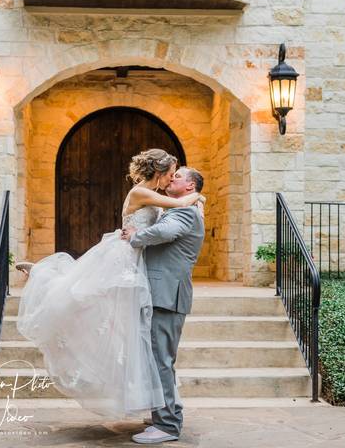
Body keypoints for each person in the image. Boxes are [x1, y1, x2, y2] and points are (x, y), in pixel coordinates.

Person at [13, 148, 204, 419]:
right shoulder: (142, 192)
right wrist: (198, 196)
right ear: (160, 172)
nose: (172, 179)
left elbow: (170, 220)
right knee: (86, 298)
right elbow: (180, 206)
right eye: (171, 174)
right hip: (125, 253)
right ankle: (44, 276)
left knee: (106, 309)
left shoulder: (155, 196)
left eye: (176, 176)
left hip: (135, 255)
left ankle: (44, 275)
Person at [120, 165, 206, 444]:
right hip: (157, 293)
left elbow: (164, 233)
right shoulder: (179, 207)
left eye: (178, 176)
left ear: (190, 187)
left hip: (167, 296)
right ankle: (161, 413)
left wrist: (134, 237)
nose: (172, 177)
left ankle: (168, 425)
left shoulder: (185, 212)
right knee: (156, 359)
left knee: (161, 361)